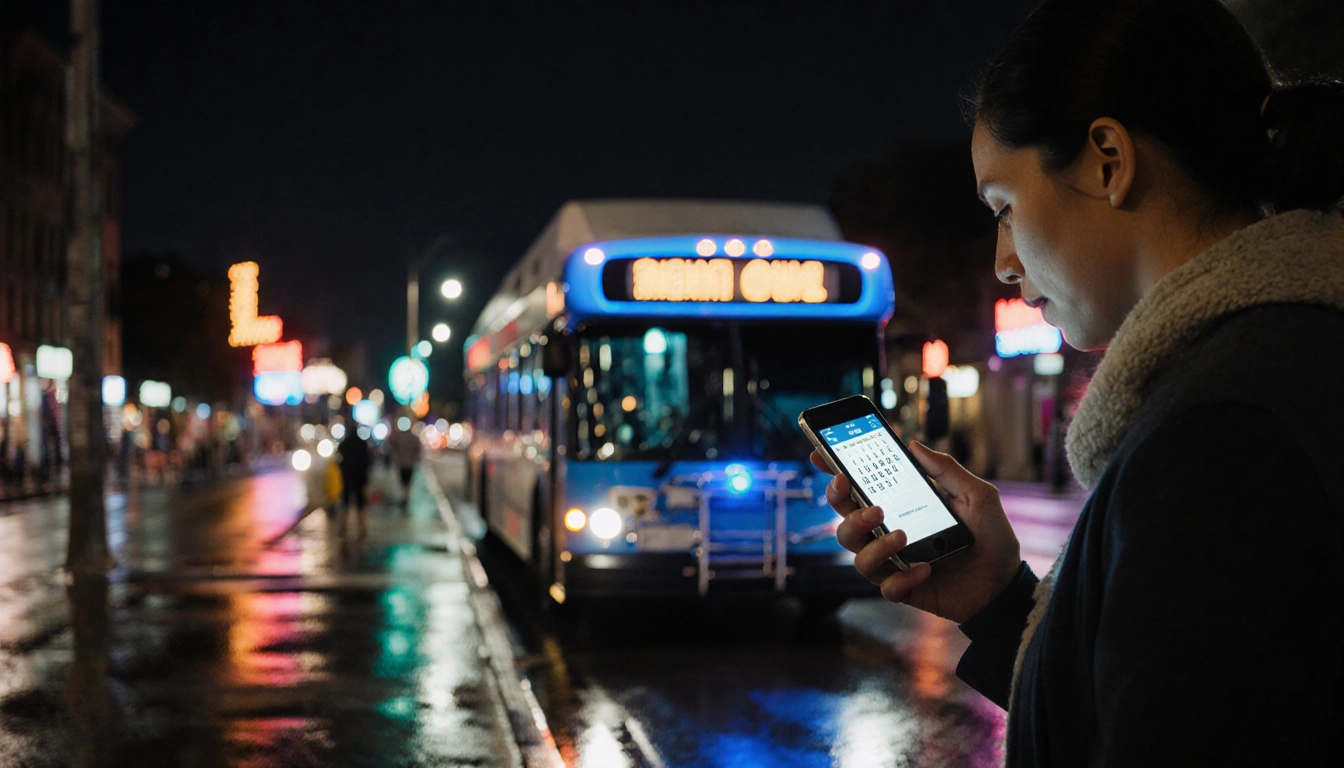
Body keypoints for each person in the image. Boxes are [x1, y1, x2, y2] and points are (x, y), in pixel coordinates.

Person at [814, 2, 1344, 765]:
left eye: (1004, 207)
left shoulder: (1222, 437)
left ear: (1107, 160)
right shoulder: (1271, 368)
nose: (1002, 259)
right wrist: (1000, 603)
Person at [336, 428, 372, 539]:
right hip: (360, 478)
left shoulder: (344, 444)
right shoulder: (363, 444)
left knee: (345, 503)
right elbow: (368, 461)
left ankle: (343, 528)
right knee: (360, 504)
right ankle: (362, 529)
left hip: (346, 478)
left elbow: (338, 460)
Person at [387, 422, 422, 507]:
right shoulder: (413, 438)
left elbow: (393, 449)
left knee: (403, 480)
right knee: (407, 480)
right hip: (409, 463)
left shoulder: (399, 438)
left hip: (403, 463)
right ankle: (406, 496)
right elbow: (417, 451)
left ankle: (405, 496)